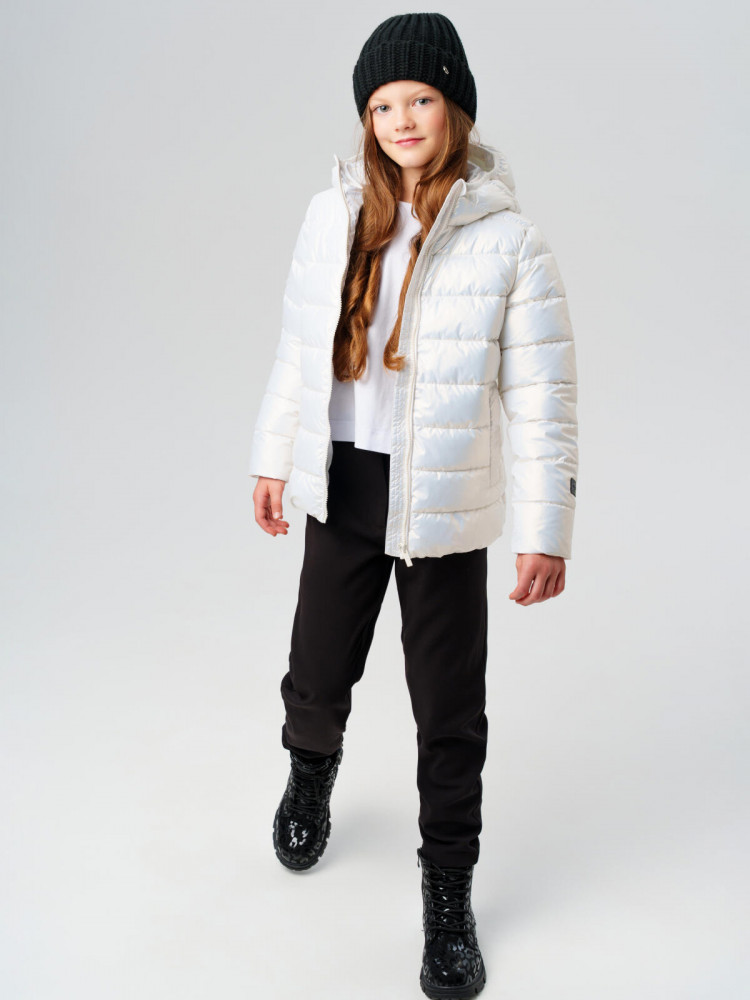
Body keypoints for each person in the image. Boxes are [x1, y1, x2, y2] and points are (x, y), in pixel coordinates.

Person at [248, 13, 579, 998]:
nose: (401, 119)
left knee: (449, 712)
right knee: (316, 676)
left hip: (444, 506)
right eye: (383, 103)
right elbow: (297, 350)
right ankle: (311, 774)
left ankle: (447, 895)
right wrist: (272, 457)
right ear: (366, 117)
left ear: (455, 110)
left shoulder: (508, 241)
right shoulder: (331, 217)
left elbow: (544, 396)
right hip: (344, 485)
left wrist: (546, 529)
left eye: (421, 99)